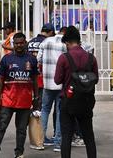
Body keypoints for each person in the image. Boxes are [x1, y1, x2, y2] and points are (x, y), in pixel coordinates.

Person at [0, 32, 39, 158]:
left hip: (25, 101)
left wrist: (36, 97)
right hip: (8, 100)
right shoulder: (6, 59)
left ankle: (19, 153)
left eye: (21, 43)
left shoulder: (32, 59)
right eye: (16, 43)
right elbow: (0, 80)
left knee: (21, 130)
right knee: (1, 127)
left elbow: (35, 80)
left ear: (25, 43)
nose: (19, 45)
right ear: (13, 44)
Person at [55, 26, 98, 158]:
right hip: (86, 101)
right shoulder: (91, 58)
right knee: (89, 136)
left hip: (68, 101)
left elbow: (57, 80)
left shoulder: (64, 58)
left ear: (67, 42)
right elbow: (95, 79)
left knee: (66, 136)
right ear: (79, 41)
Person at [38, 22, 66, 151]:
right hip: (60, 84)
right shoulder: (65, 44)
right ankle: (58, 143)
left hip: (47, 83)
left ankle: (40, 141)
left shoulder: (46, 42)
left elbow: (38, 59)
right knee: (60, 112)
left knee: (45, 110)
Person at [25, 23, 52, 151]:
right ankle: (39, 137)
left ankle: (34, 136)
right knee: (39, 110)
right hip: (41, 79)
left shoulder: (30, 42)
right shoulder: (46, 42)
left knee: (32, 108)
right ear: (50, 32)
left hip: (28, 78)